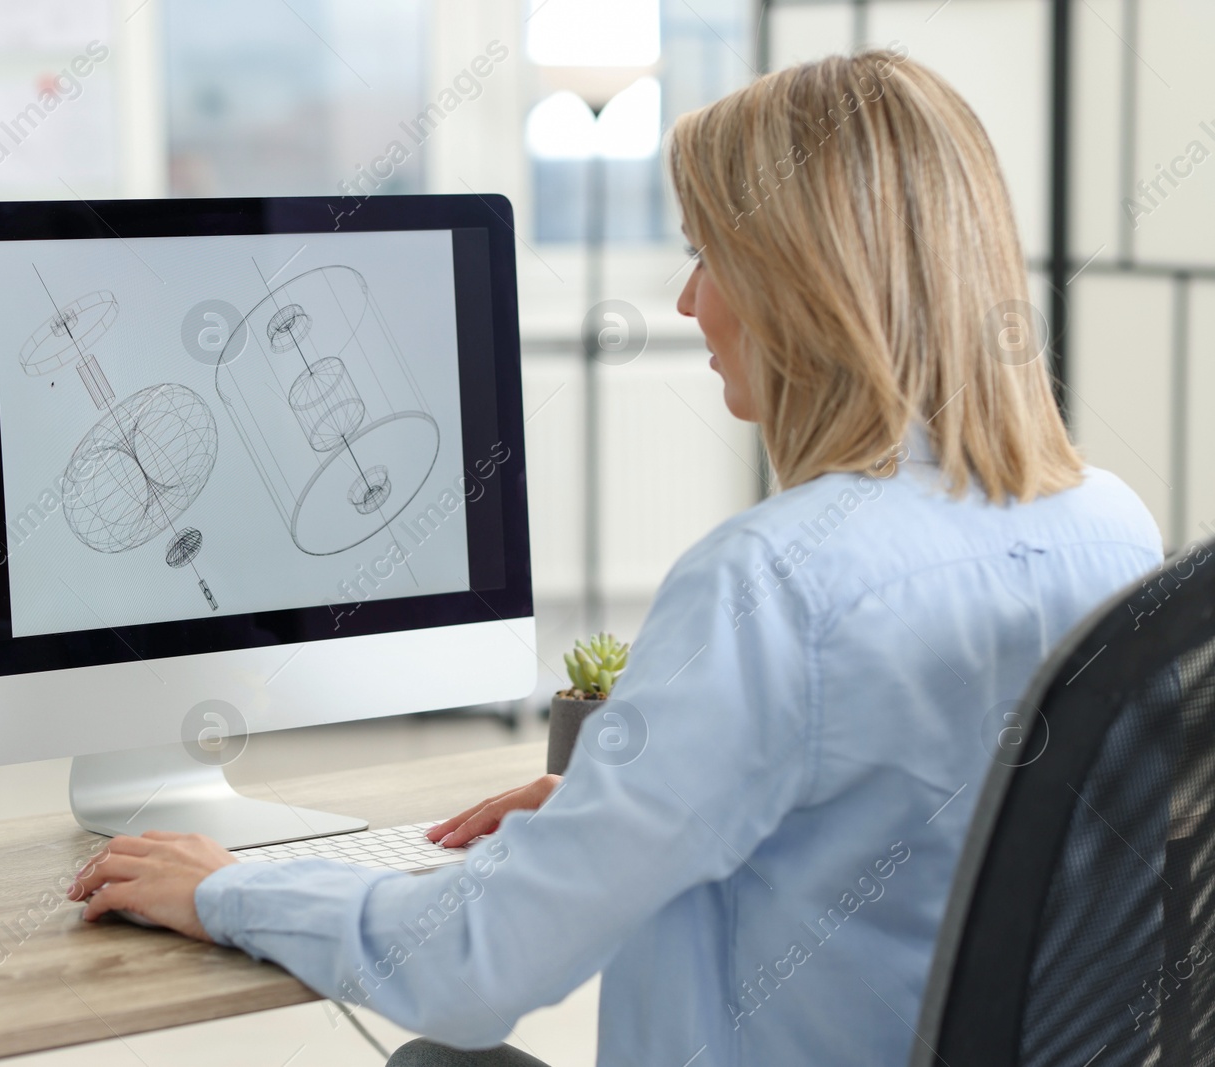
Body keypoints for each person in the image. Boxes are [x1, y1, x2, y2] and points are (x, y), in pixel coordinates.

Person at [67, 50, 1163, 1065]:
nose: (689, 301)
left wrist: (230, 891)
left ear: (802, 287)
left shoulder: (772, 581)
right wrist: (631, 792)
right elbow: (938, 819)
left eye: (705, 257)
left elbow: (475, 965)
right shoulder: (1109, 526)